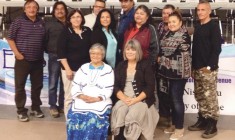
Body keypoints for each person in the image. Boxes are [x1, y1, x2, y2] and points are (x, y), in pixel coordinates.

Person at [111, 39, 159, 140]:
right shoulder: (121, 65)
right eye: (127, 49)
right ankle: (119, 137)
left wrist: (135, 100)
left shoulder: (145, 65)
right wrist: (124, 98)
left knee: (132, 115)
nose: (129, 52)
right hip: (124, 98)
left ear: (138, 51)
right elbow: (115, 86)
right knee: (120, 110)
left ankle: (132, 137)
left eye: (133, 50)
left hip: (140, 99)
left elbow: (150, 87)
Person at [7, 0, 45, 122]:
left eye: (34, 7)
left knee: (37, 86)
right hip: (23, 60)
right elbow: (10, 38)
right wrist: (17, 54)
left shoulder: (41, 22)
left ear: (37, 9)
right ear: (24, 9)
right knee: (20, 86)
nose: (32, 9)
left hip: (38, 60)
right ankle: (21, 111)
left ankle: (35, 108)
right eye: (29, 7)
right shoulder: (18, 21)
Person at [67, 43, 114, 140]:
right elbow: (75, 86)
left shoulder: (108, 69)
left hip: (100, 101)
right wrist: (81, 96)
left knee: (92, 119)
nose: (95, 56)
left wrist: (96, 98)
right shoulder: (83, 68)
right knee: (74, 117)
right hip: (82, 99)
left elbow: (109, 89)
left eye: (98, 54)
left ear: (103, 55)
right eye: (92, 53)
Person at [188, 0, 221, 139]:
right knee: (200, 96)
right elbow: (195, 49)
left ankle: (212, 124)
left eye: (203, 10)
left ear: (209, 11)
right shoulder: (197, 26)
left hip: (208, 69)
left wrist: (209, 67)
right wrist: (192, 67)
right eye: (198, 10)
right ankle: (202, 120)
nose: (200, 12)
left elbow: (216, 49)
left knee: (209, 98)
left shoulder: (213, 27)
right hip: (196, 68)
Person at [158, 11, 191, 140]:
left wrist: (161, 58)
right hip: (167, 72)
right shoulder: (168, 33)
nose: (171, 24)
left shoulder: (184, 35)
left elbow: (167, 50)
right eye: (169, 22)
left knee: (177, 100)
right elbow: (163, 49)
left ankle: (179, 128)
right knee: (170, 99)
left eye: (174, 22)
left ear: (180, 23)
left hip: (179, 73)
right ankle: (174, 124)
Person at [57, 9, 92, 118]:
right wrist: (67, 69)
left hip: (85, 71)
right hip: (70, 70)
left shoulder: (87, 30)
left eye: (78, 17)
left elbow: (92, 49)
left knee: (84, 95)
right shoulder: (65, 32)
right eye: (73, 17)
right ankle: (69, 122)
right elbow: (61, 53)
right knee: (70, 96)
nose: (76, 19)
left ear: (82, 18)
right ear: (69, 19)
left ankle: (81, 120)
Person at [45, 1, 68, 118]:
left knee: (65, 83)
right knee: (53, 83)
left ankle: (62, 105)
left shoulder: (70, 23)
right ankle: (53, 106)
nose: (60, 11)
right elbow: (44, 40)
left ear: (65, 10)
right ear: (54, 11)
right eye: (57, 9)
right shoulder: (49, 24)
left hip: (68, 58)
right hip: (54, 56)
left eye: (62, 9)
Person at [156, 4, 175, 127]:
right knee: (161, 91)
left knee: (173, 93)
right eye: (164, 13)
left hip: (173, 66)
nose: (165, 15)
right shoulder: (159, 26)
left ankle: (174, 119)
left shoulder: (177, 28)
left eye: (168, 13)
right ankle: (164, 116)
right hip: (159, 65)